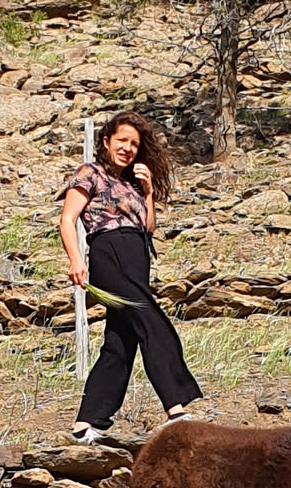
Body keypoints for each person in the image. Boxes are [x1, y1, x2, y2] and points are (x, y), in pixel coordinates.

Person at [58, 113, 204, 440]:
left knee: (121, 341)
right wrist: (75, 259)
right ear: (106, 141)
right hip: (110, 254)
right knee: (152, 322)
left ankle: (86, 423)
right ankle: (175, 408)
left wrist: (148, 191)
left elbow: (148, 227)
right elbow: (67, 219)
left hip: (137, 257)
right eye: (122, 140)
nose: (128, 148)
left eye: (134, 144)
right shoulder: (90, 173)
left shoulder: (133, 183)